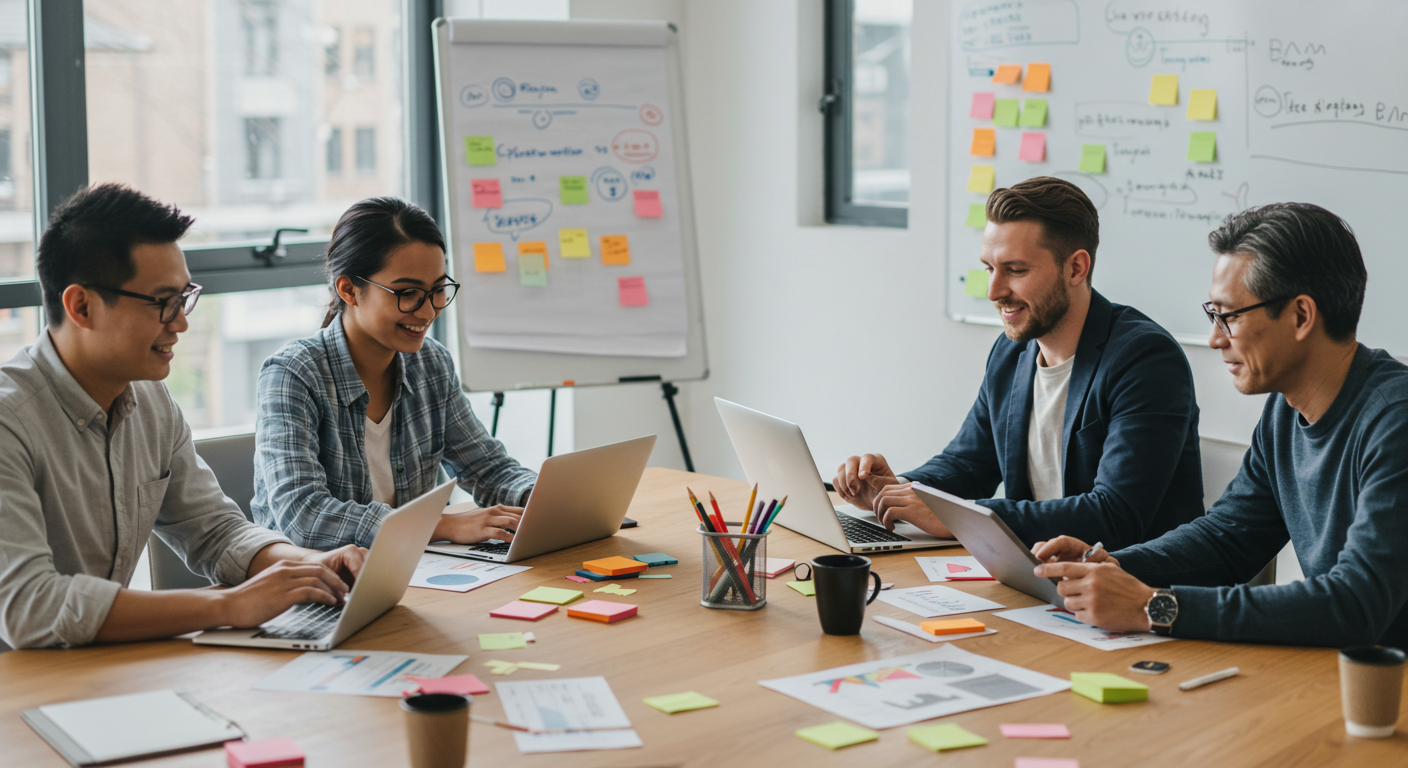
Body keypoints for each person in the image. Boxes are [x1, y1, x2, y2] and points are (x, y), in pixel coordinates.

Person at [0, 184, 366, 650]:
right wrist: (227, 606)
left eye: (184, 297)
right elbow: (31, 607)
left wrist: (307, 565)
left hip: (97, 667)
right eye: (163, 303)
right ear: (82, 306)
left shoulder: (150, 400)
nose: (181, 323)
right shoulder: (9, 422)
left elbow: (215, 530)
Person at [1033, 203, 1408, 649]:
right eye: (1213, 314)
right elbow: (1228, 539)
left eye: (1229, 316)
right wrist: (1113, 565)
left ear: (1301, 316)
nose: (1214, 338)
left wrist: (1152, 607)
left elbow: (1355, 605)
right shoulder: (1284, 411)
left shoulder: (1395, 420)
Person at [833, 177, 1203, 550]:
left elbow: (1116, 515)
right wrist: (895, 491)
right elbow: (968, 465)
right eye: (989, 268)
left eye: (1015, 270)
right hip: (1035, 570)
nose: (994, 291)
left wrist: (962, 515)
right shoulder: (1011, 353)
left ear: (1075, 268)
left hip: (1128, 579)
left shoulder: (1146, 359)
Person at [251, 197, 536, 550]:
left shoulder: (431, 364)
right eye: (408, 293)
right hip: (313, 575)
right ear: (349, 290)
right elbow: (304, 516)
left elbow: (488, 469)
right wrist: (440, 525)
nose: (428, 312)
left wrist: (543, 498)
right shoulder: (292, 374)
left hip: (406, 567)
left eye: (437, 290)